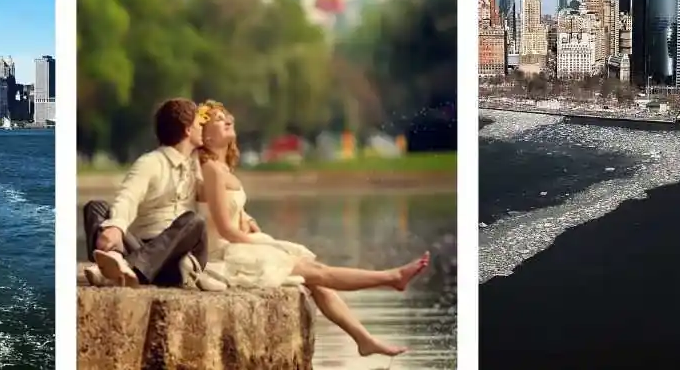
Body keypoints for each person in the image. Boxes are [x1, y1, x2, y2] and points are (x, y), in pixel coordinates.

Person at [195, 100, 430, 358]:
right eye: (218, 119)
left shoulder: (223, 168)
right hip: (225, 253)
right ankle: (391, 278)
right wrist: (267, 245)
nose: (228, 119)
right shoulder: (210, 169)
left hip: (240, 242)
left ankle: (364, 339)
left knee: (317, 277)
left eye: (227, 115)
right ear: (204, 135)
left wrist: (247, 218)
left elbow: (225, 207)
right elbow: (225, 230)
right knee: (317, 271)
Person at [81, 97, 225, 291]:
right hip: (142, 247)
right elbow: (128, 197)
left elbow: (213, 196)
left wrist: (216, 153)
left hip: (176, 259)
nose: (203, 129)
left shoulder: (195, 165)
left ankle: (120, 270)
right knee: (96, 206)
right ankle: (117, 264)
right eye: (199, 124)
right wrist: (116, 226)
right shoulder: (150, 162)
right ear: (188, 130)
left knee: (194, 221)